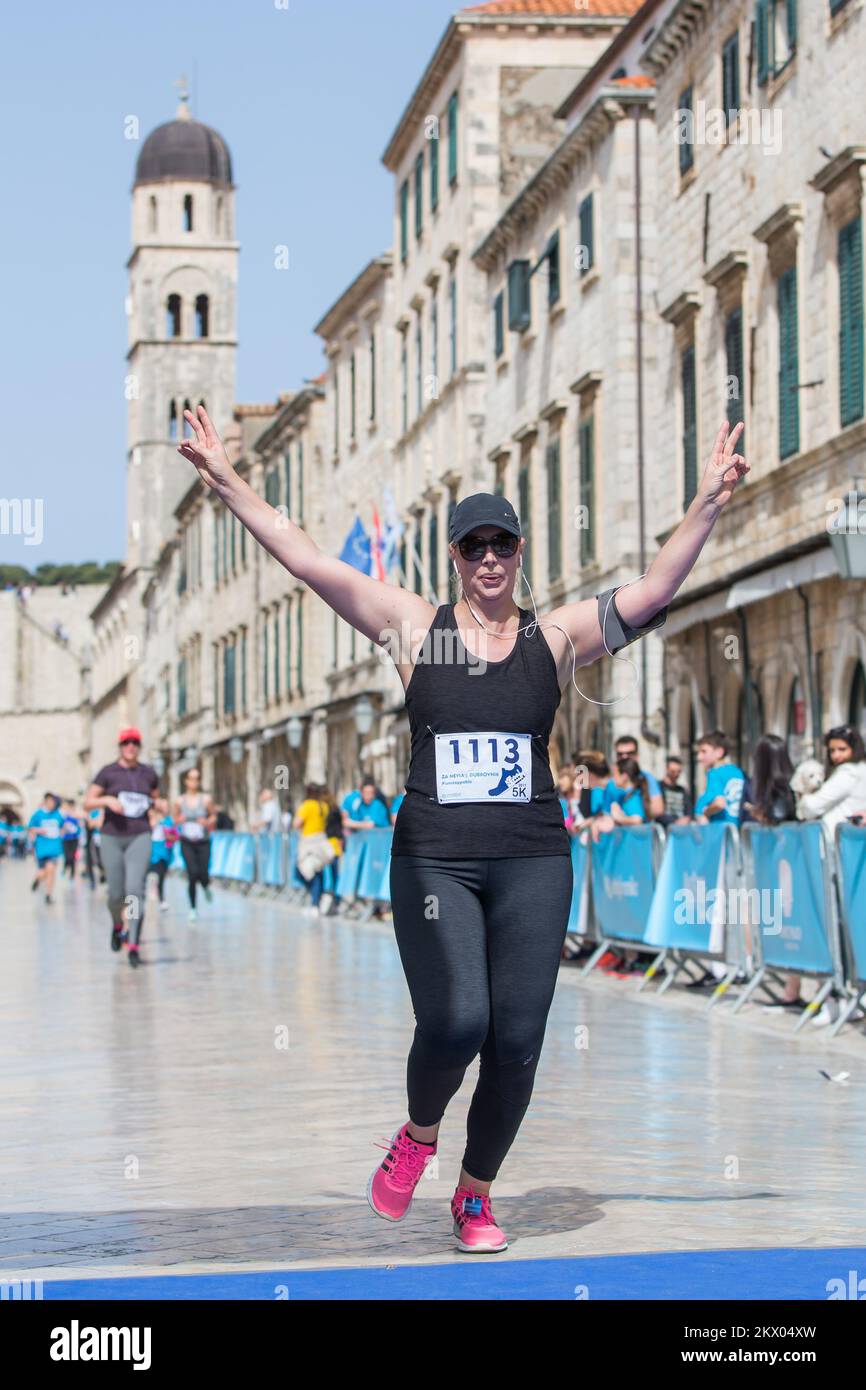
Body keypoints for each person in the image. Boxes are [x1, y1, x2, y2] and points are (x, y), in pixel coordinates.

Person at [176, 402, 748, 1253]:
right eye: (473, 545)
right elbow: (305, 558)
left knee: (517, 1040)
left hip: (531, 860)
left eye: (502, 545)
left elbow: (655, 589)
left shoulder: (555, 639)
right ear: (455, 557)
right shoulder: (417, 629)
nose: (489, 559)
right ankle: (415, 1136)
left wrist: (706, 501)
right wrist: (227, 482)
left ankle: (474, 1196)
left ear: (520, 555)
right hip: (435, 859)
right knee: (457, 1023)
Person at [84, 727, 159, 967]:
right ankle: (118, 924)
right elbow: (88, 802)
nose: (131, 747)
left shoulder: (148, 773)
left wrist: (160, 809)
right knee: (116, 894)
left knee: (135, 891)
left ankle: (134, 942)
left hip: (140, 835)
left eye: (135, 743)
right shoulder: (108, 773)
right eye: (127, 742)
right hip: (112, 837)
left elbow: (156, 800)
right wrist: (106, 800)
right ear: (120, 746)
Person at [796, 724, 866, 831]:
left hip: (838, 840)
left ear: (854, 748)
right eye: (832, 750)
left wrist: (803, 800)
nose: (836, 755)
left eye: (842, 749)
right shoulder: (860, 769)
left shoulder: (849, 772)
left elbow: (813, 806)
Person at [173, 767, 215, 921]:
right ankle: (193, 908)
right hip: (187, 841)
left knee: (202, 872)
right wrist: (180, 820)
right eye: (191, 778)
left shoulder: (206, 799)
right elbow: (174, 820)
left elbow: (214, 817)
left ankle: (205, 885)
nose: (194, 781)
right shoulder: (179, 800)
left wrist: (207, 821)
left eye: (197, 778)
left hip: (203, 841)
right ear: (186, 781)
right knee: (192, 874)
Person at [293, 783, 335, 913]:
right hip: (321, 841)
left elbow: (296, 823)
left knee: (301, 871)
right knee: (317, 871)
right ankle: (317, 900)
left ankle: (316, 902)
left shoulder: (307, 806)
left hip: (309, 842)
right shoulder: (323, 806)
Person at [694, 730, 747, 824]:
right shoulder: (738, 772)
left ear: (719, 752)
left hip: (719, 832)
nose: (699, 757)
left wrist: (705, 813)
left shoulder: (714, 773)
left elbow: (720, 803)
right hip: (737, 830)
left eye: (704, 751)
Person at [27, 792, 64, 903]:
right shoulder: (38, 814)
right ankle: (37, 880)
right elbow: (30, 828)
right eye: (49, 801)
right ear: (45, 801)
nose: (52, 804)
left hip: (54, 849)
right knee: (42, 872)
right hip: (42, 849)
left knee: (51, 870)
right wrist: (38, 831)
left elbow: (62, 827)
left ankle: (48, 895)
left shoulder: (58, 814)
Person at [147, 798, 178, 911]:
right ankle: (154, 894)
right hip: (152, 849)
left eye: (166, 806)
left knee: (162, 876)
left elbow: (175, 835)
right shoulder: (152, 818)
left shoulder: (169, 821)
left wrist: (171, 836)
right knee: (154, 873)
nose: (165, 809)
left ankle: (161, 900)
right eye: (163, 806)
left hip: (165, 851)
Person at [657, 753, 693, 827]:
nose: (676, 774)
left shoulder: (682, 790)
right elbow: (657, 812)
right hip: (664, 829)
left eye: (678, 771)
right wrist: (674, 821)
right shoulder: (658, 787)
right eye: (673, 771)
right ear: (667, 769)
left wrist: (687, 819)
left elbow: (689, 810)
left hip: (682, 829)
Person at [60, 800, 82, 877]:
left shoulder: (77, 816)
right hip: (66, 839)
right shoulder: (64, 816)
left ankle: (72, 873)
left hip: (74, 839)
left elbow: (80, 826)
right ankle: (66, 867)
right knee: (67, 856)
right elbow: (61, 826)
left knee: (72, 856)